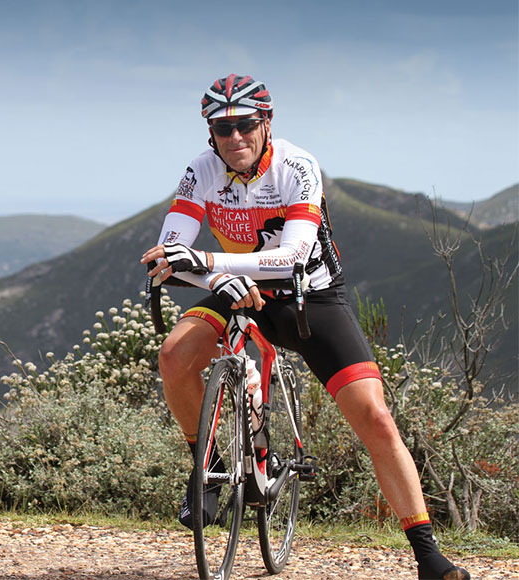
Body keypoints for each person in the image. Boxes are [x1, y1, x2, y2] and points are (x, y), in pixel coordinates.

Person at [140, 74, 469, 580]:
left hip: (307, 295)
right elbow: (169, 256)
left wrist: (207, 264)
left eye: (245, 125)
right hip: (238, 291)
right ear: (210, 133)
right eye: (222, 128)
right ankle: (204, 472)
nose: (234, 138)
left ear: (266, 123)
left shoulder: (297, 166)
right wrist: (215, 275)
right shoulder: (200, 171)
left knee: (376, 420)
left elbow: (290, 256)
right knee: (173, 356)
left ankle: (427, 553)